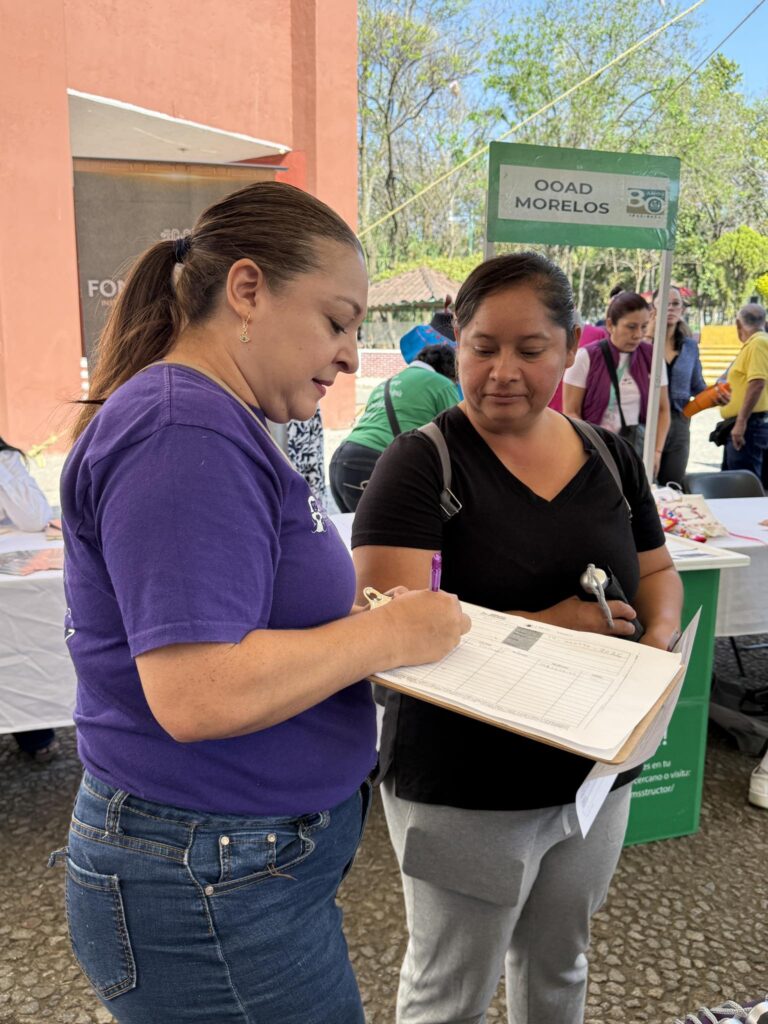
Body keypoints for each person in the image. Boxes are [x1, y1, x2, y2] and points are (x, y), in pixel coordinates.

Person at [49, 181, 468, 1024]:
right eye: (336, 320)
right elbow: (199, 691)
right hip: (209, 871)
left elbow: (241, 631)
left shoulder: (213, 420)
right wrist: (386, 634)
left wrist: (351, 629)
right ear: (247, 291)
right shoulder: (184, 428)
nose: (351, 354)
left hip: (229, 862)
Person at [352, 252, 682, 1024]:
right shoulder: (419, 464)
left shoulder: (608, 456)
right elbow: (387, 643)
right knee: (449, 988)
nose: (503, 371)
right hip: (463, 784)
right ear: (456, 344)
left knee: (561, 963)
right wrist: (558, 631)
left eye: (530, 350)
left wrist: (658, 646)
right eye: (483, 347)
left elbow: (658, 571)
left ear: (571, 348)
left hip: (592, 774)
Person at [329, 343, 459, 512]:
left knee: (356, 534)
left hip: (341, 462)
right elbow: (458, 437)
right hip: (376, 463)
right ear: (450, 371)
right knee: (399, 535)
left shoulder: (387, 383)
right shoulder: (442, 384)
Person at [563, 290, 671, 478]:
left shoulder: (653, 358)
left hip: (637, 451)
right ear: (610, 325)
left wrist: (656, 452)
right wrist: (588, 450)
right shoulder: (586, 357)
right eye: (631, 327)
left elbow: (662, 410)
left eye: (644, 327)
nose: (638, 335)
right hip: (596, 451)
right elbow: (571, 411)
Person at [0, 435, 58, 761]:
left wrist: (2, 464)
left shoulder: (6, 460)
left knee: (16, 637)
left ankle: (32, 732)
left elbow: (34, 518)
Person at [652, 286, 718, 487]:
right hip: (647, 421)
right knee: (643, 482)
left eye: (675, 304)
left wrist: (716, 395)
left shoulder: (689, 346)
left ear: (682, 309)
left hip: (679, 421)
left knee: (673, 482)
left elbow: (698, 385)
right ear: (653, 308)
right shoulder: (644, 343)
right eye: (664, 303)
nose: (670, 308)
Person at [719, 302, 768, 477]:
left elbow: (757, 383)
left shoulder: (758, 343)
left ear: (738, 324)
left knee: (743, 487)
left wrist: (741, 422)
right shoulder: (755, 344)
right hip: (748, 424)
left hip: (749, 427)